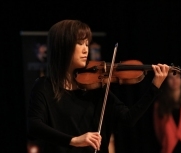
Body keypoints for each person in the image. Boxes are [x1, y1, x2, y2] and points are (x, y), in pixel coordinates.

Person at [27, 19, 169, 153]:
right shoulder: (44, 87)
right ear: (62, 46)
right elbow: (34, 126)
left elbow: (128, 119)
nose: (85, 50)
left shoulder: (95, 89)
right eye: (79, 43)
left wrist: (154, 87)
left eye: (87, 44)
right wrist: (74, 140)